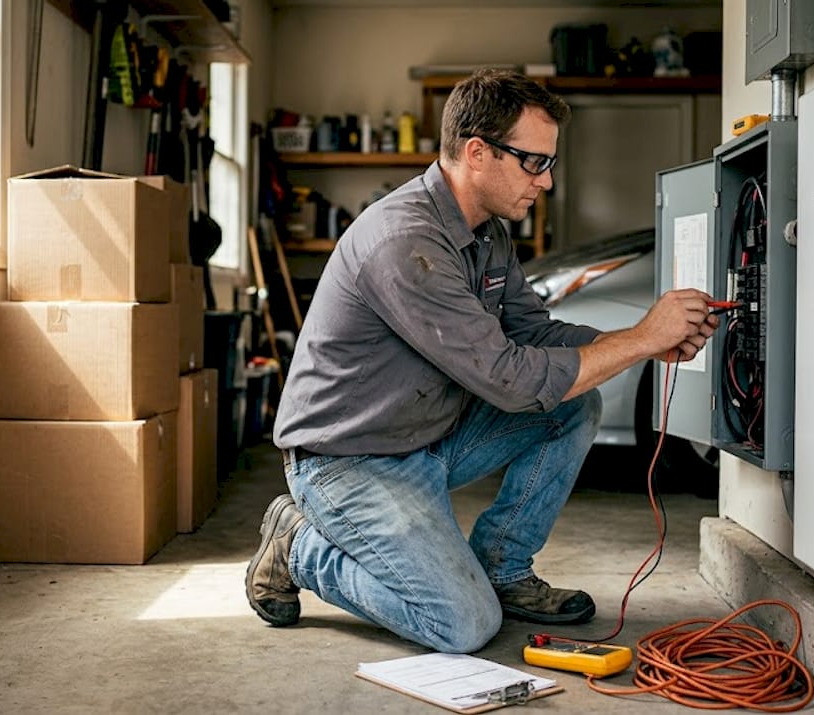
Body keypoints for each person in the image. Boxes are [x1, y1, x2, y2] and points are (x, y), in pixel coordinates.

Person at [245, 68, 717, 654]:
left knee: (573, 406)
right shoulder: (406, 241)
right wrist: (643, 339)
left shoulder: (487, 233)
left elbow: (535, 333)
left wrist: (641, 338)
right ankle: (298, 546)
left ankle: (502, 568)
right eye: (534, 162)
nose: (546, 180)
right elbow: (510, 380)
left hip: (428, 438)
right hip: (350, 461)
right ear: (477, 152)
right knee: (462, 625)